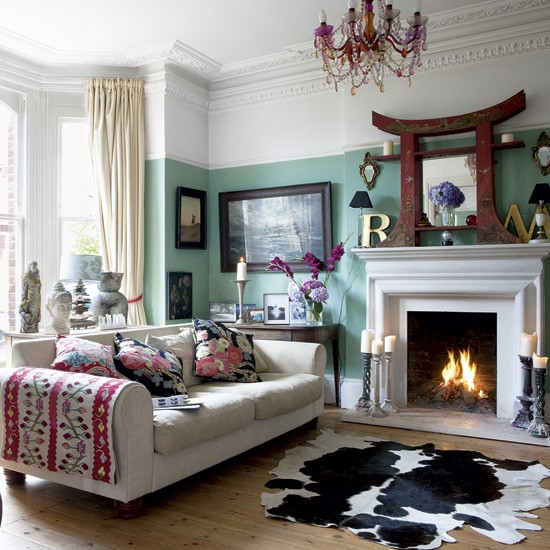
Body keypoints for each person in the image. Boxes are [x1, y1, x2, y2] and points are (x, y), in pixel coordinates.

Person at [19, 261, 42, 333]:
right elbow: (24, 289)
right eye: (33, 266)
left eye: (36, 266)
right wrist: (24, 300)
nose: (35, 268)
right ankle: (28, 327)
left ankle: (34, 326)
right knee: (30, 311)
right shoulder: (26, 276)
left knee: (35, 311)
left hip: (37, 296)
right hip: (30, 297)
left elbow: (39, 286)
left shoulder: (37, 275)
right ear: (30, 267)